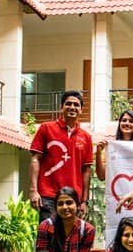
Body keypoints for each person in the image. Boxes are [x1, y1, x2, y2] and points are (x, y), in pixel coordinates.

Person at [29, 90, 93, 222]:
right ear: (61, 107)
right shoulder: (46, 128)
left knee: (70, 239)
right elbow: (35, 159)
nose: (72, 107)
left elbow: (86, 170)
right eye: (68, 104)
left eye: (76, 105)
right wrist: (33, 190)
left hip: (73, 197)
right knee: (48, 236)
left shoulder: (86, 137)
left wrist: (85, 201)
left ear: (81, 110)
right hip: (48, 195)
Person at [95, 110, 133, 181]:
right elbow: (101, 176)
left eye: (131, 121)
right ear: (119, 123)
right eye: (124, 120)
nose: (127, 123)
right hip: (116, 189)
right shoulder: (110, 146)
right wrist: (98, 152)